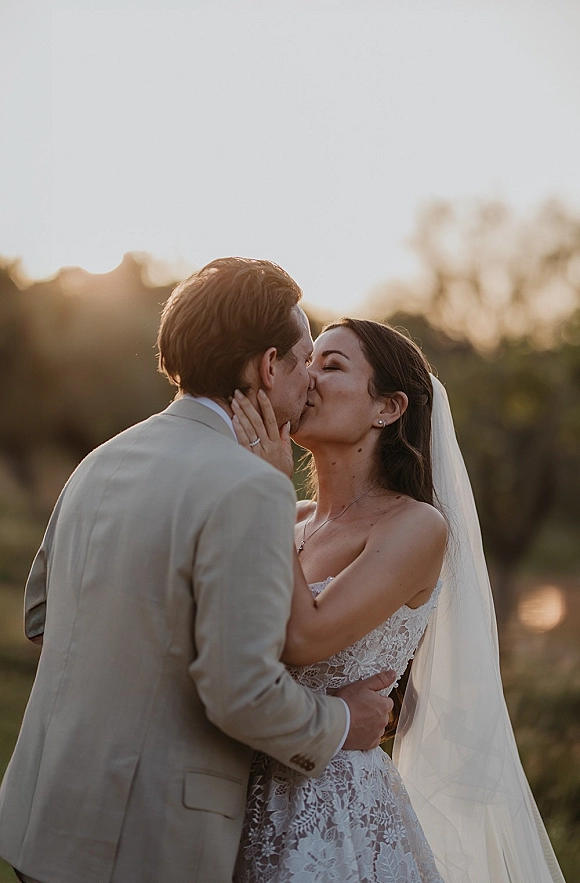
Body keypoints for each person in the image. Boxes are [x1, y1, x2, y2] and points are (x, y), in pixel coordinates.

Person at [0, 259, 395, 883]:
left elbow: (44, 617)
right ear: (268, 367)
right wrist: (344, 722)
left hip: (41, 819)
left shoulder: (101, 460)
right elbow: (241, 694)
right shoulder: (252, 489)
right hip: (144, 843)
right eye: (303, 359)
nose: (311, 383)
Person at [231, 318, 566, 883]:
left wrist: (266, 487)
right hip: (239, 788)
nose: (308, 378)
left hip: (332, 815)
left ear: (388, 408)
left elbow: (305, 638)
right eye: (307, 361)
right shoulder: (287, 521)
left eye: (332, 366)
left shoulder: (414, 526)